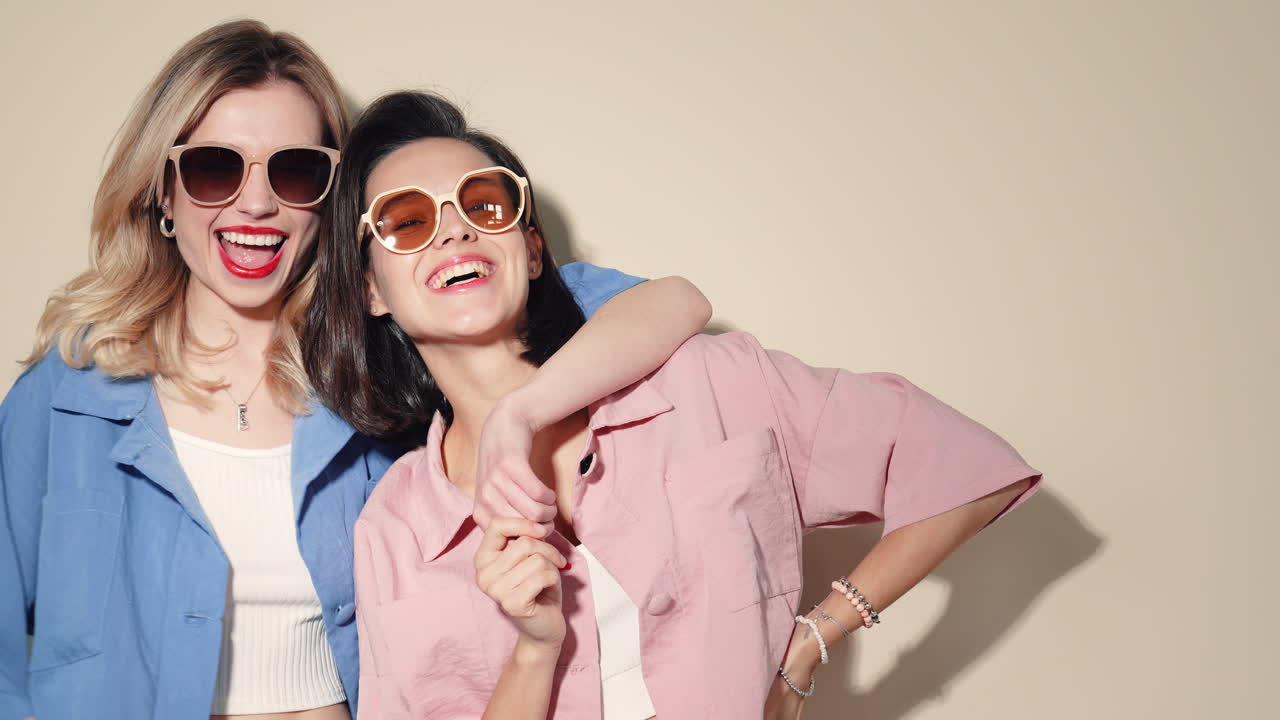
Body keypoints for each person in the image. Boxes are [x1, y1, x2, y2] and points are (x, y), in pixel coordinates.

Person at [0, 22, 709, 720]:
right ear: (162, 191)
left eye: (296, 170)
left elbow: (668, 303)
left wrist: (522, 414)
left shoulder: (379, 359)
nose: (256, 203)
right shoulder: (66, 399)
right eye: (215, 167)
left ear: (332, 204)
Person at [308, 90, 1042, 719]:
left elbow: (970, 468)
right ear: (371, 289)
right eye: (406, 221)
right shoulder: (395, 532)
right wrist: (535, 651)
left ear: (531, 251)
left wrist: (814, 638)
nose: (456, 229)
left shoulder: (706, 385)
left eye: (485, 203)